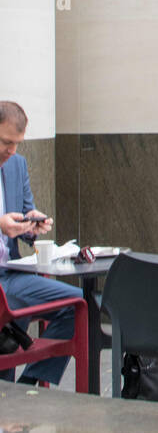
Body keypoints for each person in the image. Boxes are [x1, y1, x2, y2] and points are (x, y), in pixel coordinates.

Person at [0, 100, 80, 386]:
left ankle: (29, 384)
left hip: (12, 273)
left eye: (18, 143)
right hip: (5, 283)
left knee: (76, 306)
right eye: (6, 142)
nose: (12, 150)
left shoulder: (16, 165)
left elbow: (21, 220)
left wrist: (32, 225)